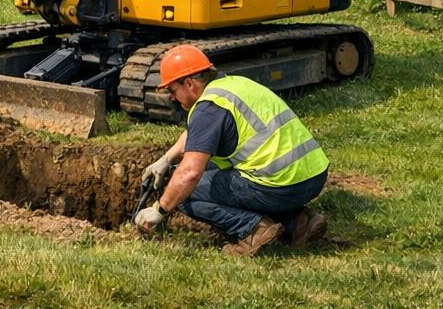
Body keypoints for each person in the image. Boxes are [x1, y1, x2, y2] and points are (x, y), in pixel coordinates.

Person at [134, 44, 330, 256]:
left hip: (281, 185)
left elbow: (189, 174)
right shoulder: (232, 85)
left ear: (189, 83)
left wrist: (159, 210)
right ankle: (299, 222)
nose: (172, 97)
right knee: (203, 174)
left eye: (172, 90)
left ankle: (253, 229)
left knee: (185, 194)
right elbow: (199, 134)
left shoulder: (208, 110)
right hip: (313, 176)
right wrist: (166, 159)